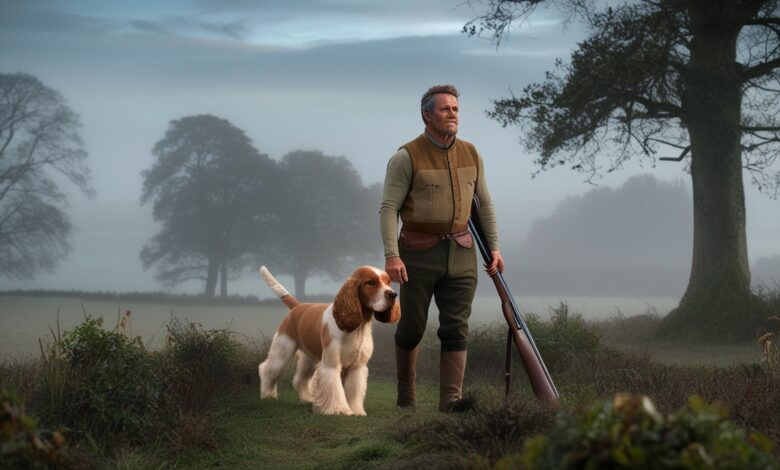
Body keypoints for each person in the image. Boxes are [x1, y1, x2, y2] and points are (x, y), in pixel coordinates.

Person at [380, 84, 504, 412]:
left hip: (463, 252)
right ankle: (406, 395)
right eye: (445, 109)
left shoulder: (472, 152)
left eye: (456, 109)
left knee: (456, 326)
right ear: (426, 115)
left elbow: (485, 204)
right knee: (412, 328)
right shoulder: (406, 156)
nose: (453, 114)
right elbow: (388, 208)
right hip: (417, 253)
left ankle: (451, 401)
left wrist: (494, 248)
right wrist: (392, 255)